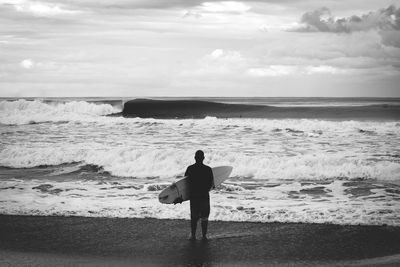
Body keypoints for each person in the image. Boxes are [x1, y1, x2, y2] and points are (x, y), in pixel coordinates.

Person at [185, 150, 214, 240]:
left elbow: (185, 183)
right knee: (204, 217)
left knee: (194, 216)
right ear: (203, 158)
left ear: (195, 158)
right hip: (204, 195)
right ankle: (204, 235)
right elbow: (211, 184)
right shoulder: (208, 169)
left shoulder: (190, 169)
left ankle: (193, 235)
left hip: (194, 196)